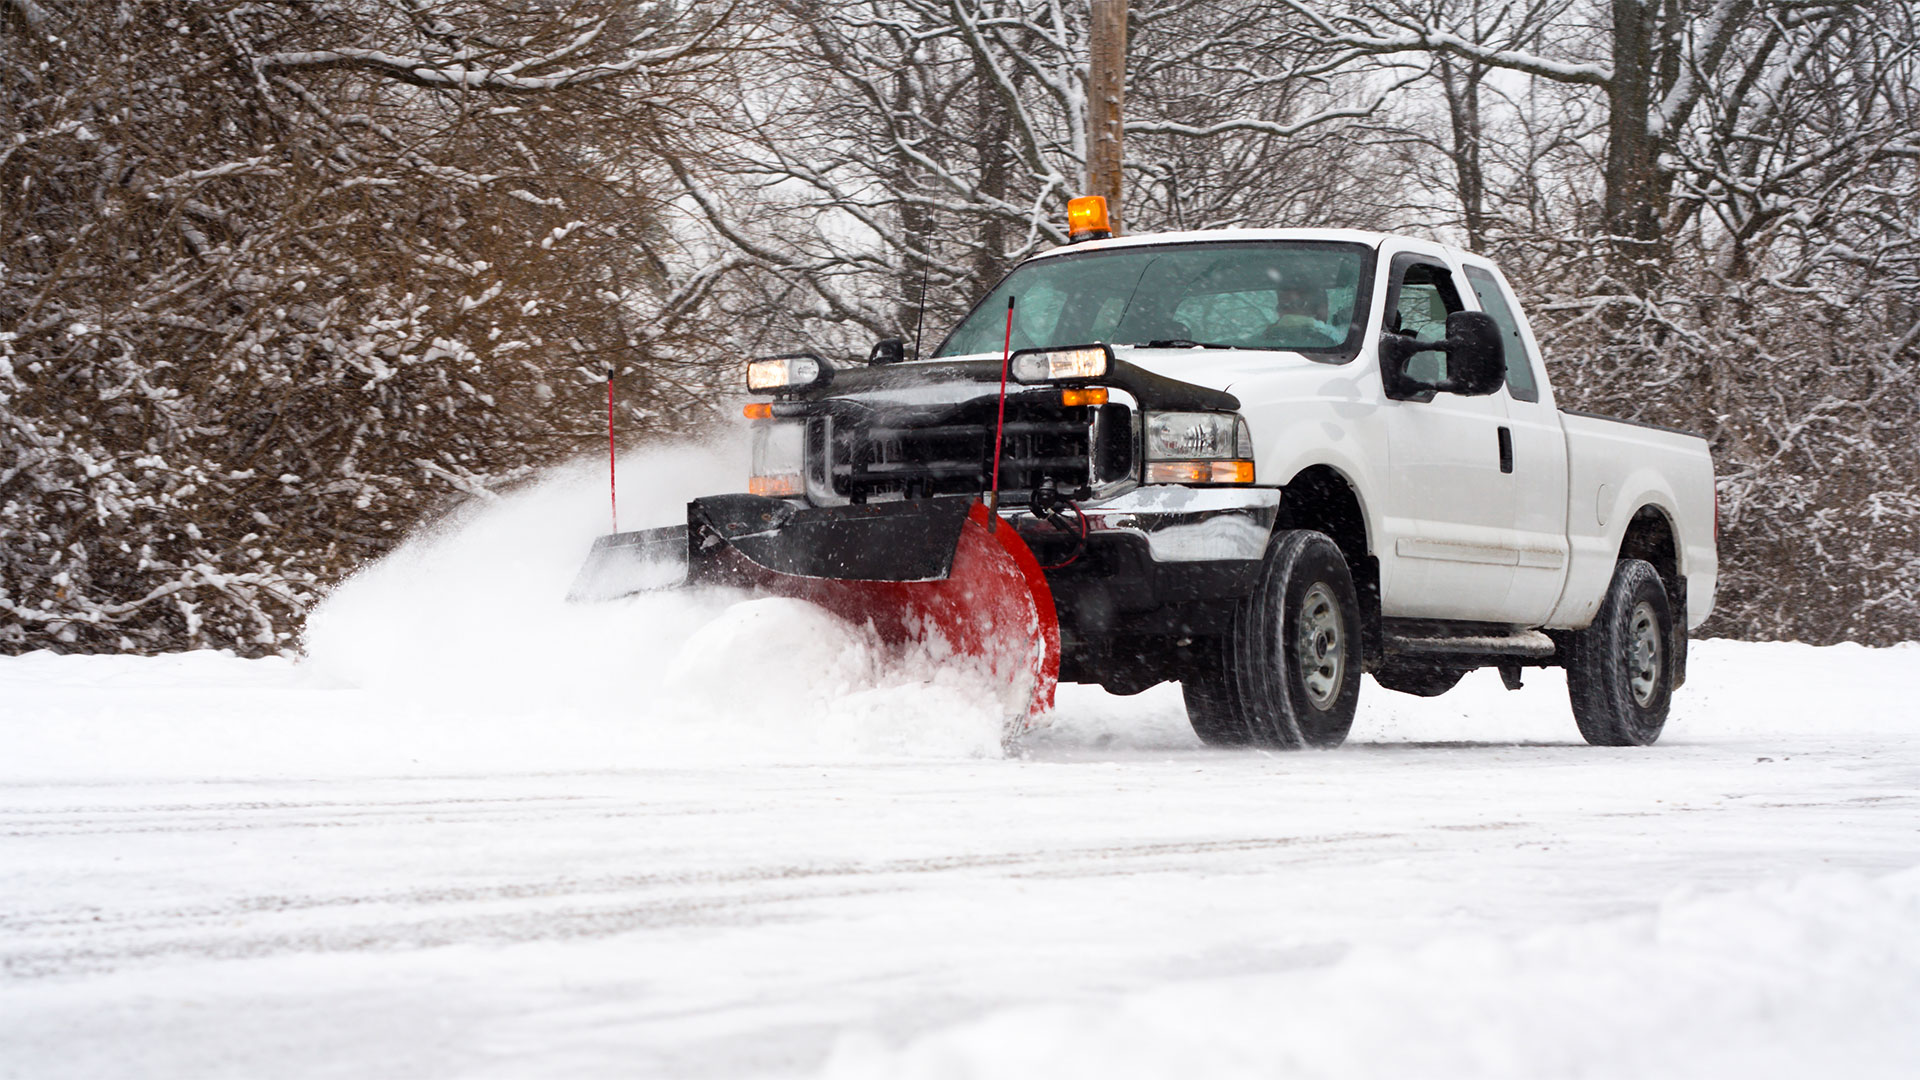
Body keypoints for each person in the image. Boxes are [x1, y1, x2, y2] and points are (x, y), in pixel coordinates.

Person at [1264, 278, 1344, 347]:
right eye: (1282, 306)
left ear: (1317, 309)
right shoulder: (1264, 340)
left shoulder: (1336, 339)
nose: (1286, 312)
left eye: (1296, 304)